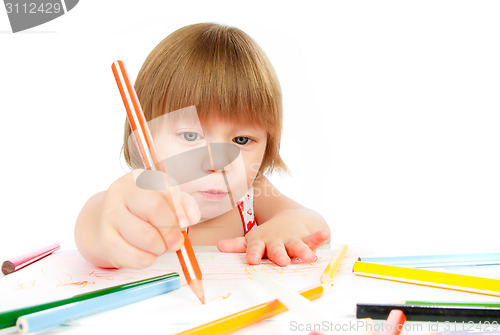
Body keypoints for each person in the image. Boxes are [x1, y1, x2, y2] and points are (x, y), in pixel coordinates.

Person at [75, 23, 330, 270]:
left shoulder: (252, 194)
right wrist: (105, 229)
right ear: (145, 139)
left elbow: (314, 224)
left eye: (241, 140)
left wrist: (282, 229)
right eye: (190, 136)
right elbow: (95, 223)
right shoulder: (142, 196)